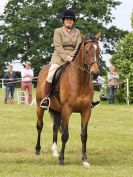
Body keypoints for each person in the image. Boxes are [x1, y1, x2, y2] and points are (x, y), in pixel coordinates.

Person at [40, 9, 100, 109]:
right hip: (59, 57)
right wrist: (65, 57)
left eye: (71, 20)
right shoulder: (58, 31)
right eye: (67, 19)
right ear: (64, 21)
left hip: (74, 57)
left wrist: (72, 56)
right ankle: (46, 98)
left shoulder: (77, 32)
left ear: (73, 22)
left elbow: (78, 45)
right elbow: (58, 46)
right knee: (50, 74)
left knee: (87, 73)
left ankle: (89, 100)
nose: (69, 21)